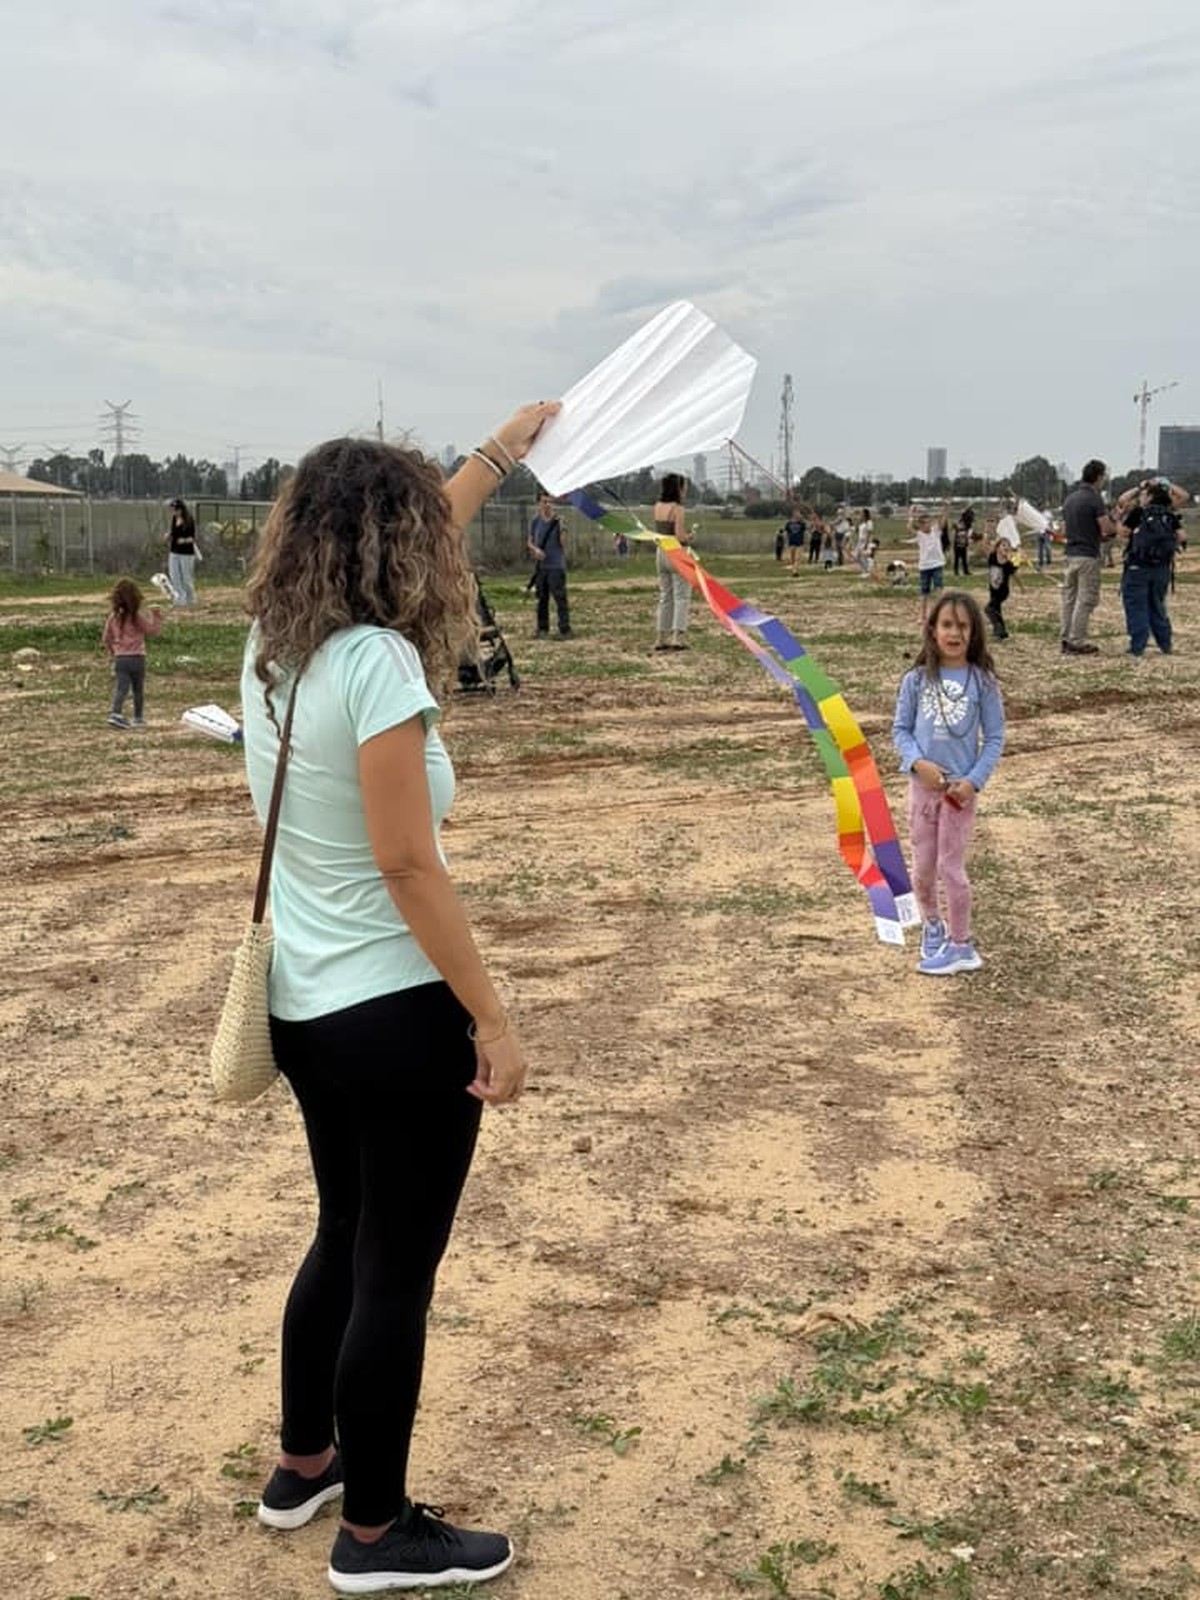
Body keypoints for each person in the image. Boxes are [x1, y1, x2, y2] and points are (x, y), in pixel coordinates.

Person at [241, 403, 557, 1595]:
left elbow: (432, 516)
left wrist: (497, 452)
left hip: (307, 1008)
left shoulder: (274, 645)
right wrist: (494, 1016)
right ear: (396, 547)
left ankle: (305, 1460)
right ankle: (375, 1530)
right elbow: (408, 861)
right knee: (393, 1271)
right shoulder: (375, 663)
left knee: (342, 1228)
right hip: (394, 1012)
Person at [892, 591, 1005, 977]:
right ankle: (933, 925)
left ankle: (961, 945)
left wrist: (973, 782)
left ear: (973, 633)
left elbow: (993, 739)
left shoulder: (983, 683)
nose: (954, 632)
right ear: (932, 630)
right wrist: (917, 763)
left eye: (962, 625)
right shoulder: (915, 680)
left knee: (951, 868)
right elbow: (901, 730)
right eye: (946, 624)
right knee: (923, 868)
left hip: (959, 795)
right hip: (923, 792)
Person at [1115, 477, 1188, 656]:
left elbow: (1123, 533)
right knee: (1157, 605)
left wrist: (1118, 521)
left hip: (1137, 567)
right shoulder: (1168, 514)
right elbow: (1182, 537)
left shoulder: (1139, 513)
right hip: (1162, 569)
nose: (1142, 497)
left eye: (1144, 494)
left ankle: (1138, 646)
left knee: (1136, 605)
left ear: (1150, 496)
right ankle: (1165, 643)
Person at [1060, 460, 1117, 655]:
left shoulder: (1070, 499)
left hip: (1070, 554)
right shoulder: (1094, 499)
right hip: (1087, 556)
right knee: (1086, 599)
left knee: (1069, 598)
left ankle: (1066, 637)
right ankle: (1077, 641)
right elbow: (1106, 528)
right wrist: (1114, 522)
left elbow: (1065, 529)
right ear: (1099, 477)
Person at [102, 578, 162, 729]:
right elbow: (152, 631)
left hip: (120, 658)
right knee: (138, 689)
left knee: (121, 687)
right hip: (137, 657)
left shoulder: (113, 617)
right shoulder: (136, 617)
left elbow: (106, 638)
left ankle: (115, 713)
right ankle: (138, 718)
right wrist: (156, 616)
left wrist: (112, 653)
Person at [652, 473, 692, 650]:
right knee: (681, 595)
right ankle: (677, 637)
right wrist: (689, 537)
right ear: (678, 488)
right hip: (676, 552)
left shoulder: (657, 506)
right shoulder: (678, 509)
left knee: (665, 596)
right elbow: (679, 535)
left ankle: (661, 637)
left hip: (660, 551)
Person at [527, 492, 572, 639]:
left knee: (560, 598)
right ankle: (542, 629)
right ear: (538, 504)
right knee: (542, 599)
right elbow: (530, 542)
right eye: (544, 502)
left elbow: (563, 544)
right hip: (541, 567)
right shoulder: (535, 521)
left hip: (556, 566)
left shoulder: (559, 520)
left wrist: (563, 529)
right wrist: (535, 550)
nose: (547, 504)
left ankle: (565, 630)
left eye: (550, 501)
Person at [908, 507, 945, 622]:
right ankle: (922, 615)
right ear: (921, 525)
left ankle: (938, 614)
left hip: (937, 564)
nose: (929, 524)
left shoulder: (936, 532)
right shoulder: (920, 535)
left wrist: (946, 508)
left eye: (930, 522)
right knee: (924, 592)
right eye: (926, 523)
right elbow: (909, 527)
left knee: (938, 589)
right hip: (924, 566)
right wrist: (911, 514)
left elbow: (943, 521)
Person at [983, 529, 1017, 641]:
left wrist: (1022, 588)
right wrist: (986, 534)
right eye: (1003, 545)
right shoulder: (992, 557)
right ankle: (1002, 633)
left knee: (988, 609)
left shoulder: (1008, 564)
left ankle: (998, 629)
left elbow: (1015, 575)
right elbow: (985, 547)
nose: (1005, 547)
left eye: (1007, 546)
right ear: (997, 547)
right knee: (997, 610)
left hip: (1003, 592)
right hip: (993, 590)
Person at [166, 497, 199, 607]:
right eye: (173, 510)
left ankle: (190, 599)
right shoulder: (174, 519)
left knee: (186, 577)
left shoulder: (189, 520)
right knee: (174, 575)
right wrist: (169, 536)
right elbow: (174, 532)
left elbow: (192, 538)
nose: (174, 512)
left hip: (186, 553)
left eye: (175, 509)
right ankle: (179, 599)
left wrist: (183, 540)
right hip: (174, 551)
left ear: (181, 509)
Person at [781, 504, 806, 572]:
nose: (798, 515)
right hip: (791, 542)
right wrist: (786, 542)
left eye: (799, 514)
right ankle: (794, 567)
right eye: (796, 514)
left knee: (797, 558)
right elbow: (786, 533)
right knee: (792, 558)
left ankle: (795, 570)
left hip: (799, 543)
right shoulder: (789, 523)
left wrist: (805, 543)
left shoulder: (802, 523)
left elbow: (805, 532)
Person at [853, 508, 875, 576]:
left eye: (862, 513)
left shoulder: (869, 522)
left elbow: (869, 533)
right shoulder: (862, 523)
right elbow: (856, 531)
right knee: (856, 556)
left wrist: (866, 543)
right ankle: (864, 570)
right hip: (860, 541)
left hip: (865, 541)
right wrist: (857, 522)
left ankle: (866, 571)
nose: (860, 515)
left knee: (863, 556)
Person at [951, 513, 971, 577]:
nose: (962, 525)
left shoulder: (965, 530)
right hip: (957, 546)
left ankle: (966, 571)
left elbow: (966, 537)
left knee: (964, 559)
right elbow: (953, 526)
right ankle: (956, 572)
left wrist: (967, 543)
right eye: (960, 524)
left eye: (963, 524)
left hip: (963, 546)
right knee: (956, 559)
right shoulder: (956, 529)